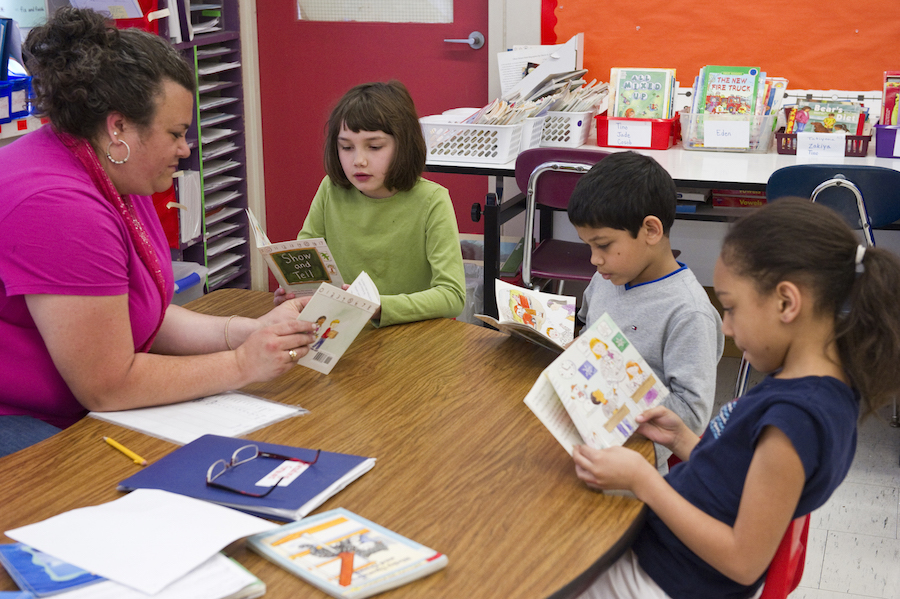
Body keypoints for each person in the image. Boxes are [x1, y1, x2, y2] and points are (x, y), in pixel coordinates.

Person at [0, 8, 316, 457]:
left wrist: (246, 332)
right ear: (119, 128)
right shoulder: (59, 208)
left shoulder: (116, 169)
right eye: (176, 133)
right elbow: (107, 387)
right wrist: (242, 365)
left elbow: (131, 314)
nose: (185, 150)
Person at [573, 199, 900, 599]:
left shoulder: (797, 420)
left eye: (730, 308)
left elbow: (743, 561)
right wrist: (683, 441)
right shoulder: (807, 383)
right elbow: (736, 480)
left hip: (661, 582)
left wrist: (645, 482)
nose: (725, 328)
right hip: (660, 557)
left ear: (786, 302)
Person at [568, 151, 724, 470]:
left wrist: (617, 382)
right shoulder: (607, 279)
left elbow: (692, 419)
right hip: (583, 431)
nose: (594, 260)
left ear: (651, 231)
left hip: (635, 466)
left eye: (604, 245)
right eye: (588, 247)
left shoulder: (689, 313)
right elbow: (585, 332)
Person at [274, 81, 466, 327]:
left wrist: (377, 306)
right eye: (346, 147)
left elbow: (452, 296)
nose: (359, 160)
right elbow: (307, 264)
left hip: (414, 335)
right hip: (342, 328)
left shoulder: (432, 200)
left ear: (403, 146)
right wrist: (297, 293)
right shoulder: (330, 190)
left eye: (374, 147)